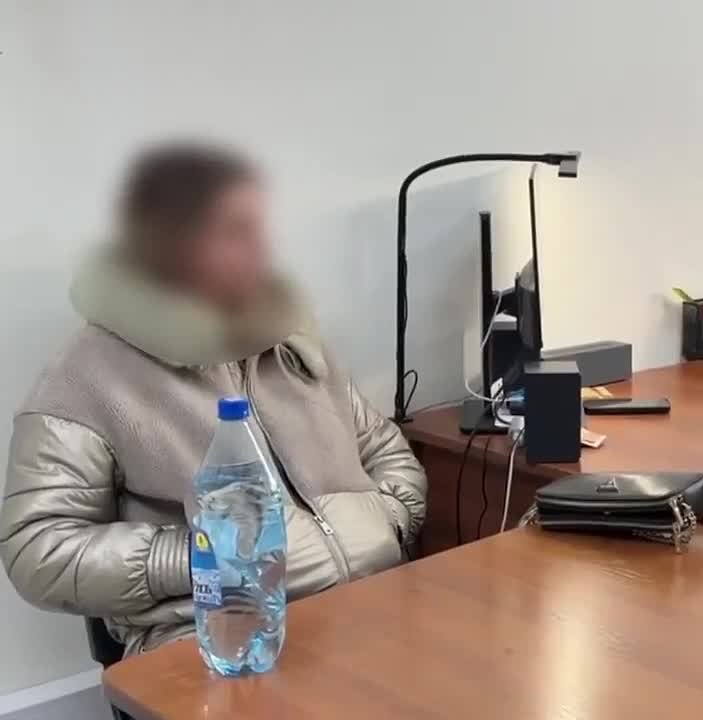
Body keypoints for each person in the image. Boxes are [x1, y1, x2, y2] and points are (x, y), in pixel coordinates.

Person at [0, 142, 428, 655]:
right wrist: (202, 557)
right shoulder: (87, 375)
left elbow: (383, 447)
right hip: (221, 639)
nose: (258, 250)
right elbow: (37, 548)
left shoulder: (291, 341)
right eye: (232, 231)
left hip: (372, 607)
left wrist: (389, 520)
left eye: (256, 229)